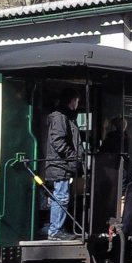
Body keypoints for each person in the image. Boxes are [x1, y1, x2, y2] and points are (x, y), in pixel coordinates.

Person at [44, 87, 82, 240]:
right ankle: (55, 231)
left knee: (61, 196)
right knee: (61, 197)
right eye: (77, 101)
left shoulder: (64, 117)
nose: (77, 104)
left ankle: (57, 228)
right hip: (60, 165)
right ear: (72, 101)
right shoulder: (60, 117)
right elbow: (58, 141)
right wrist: (72, 156)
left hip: (62, 164)